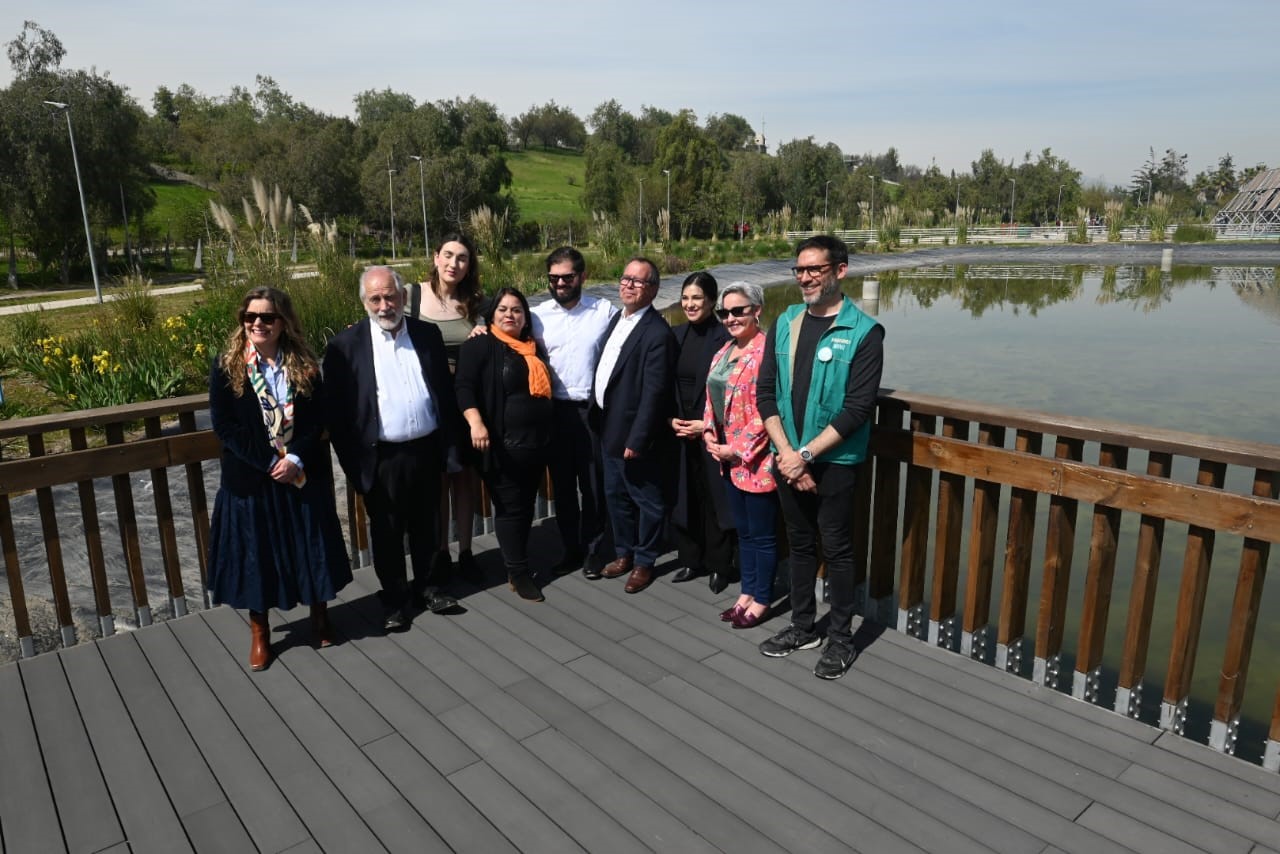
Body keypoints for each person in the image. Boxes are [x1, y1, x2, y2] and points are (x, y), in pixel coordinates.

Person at [756, 235, 884, 679]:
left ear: (840, 271)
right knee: (801, 544)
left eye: (815, 269)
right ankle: (802, 626)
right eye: (800, 269)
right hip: (788, 457)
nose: (805, 277)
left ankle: (842, 639)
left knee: (838, 548)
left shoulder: (865, 332)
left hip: (835, 463)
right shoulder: (787, 321)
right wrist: (788, 454)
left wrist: (805, 454)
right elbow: (765, 392)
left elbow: (857, 408)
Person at [206, 286, 352, 671]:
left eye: (267, 317)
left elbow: (319, 417)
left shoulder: (304, 363)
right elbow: (225, 427)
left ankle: (319, 614)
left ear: (283, 321)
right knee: (259, 557)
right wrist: (271, 462)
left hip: (301, 474)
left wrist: (296, 457)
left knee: (309, 547)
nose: (257, 323)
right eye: (250, 317)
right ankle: (260, 632)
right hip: (254, 479)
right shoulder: (228, 366)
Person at [323, 266, 461, 631]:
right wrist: (355, 467)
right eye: (376, 298)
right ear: (365, 302)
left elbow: (444, 395)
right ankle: (396, 600)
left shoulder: (426, 334)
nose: (385, 305)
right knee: (386, 531)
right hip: (380, 456)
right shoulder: (344, 347)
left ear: (403, 297)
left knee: (429, 524)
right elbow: (337, 416)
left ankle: (430, 587)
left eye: (390, 296)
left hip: (427, 448)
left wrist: (449, 447)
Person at [455, 288, 554, 602]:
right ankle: (518, 572)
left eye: (517, 310)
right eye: (503, 309)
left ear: (526, 318)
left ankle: (517, 560)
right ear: (492, 314)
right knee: (510, 508)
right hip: (501, 444)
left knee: (524, 506)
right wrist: (476, 422)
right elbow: (464, 387)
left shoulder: (532, 350)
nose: (509, 314)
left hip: (536, 444)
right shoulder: (480, 345)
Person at [591, 256, 678, 594]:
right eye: (625, 278)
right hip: (606, 427)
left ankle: (644, 562)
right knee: (616, 496)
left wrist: (638, 438)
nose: (628, 285)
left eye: (637, 281)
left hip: (632, 436)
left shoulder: (657, 333)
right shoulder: (618, 319)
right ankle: (624, 553)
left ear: (653, 289)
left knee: (647, 500)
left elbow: (655, 394)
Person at [530, 246, 617, 577]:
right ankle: (571, 548)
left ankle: (594, 550)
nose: (560, 283)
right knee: (563, 487)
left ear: (582, 276)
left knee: (593, 485)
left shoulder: (604, 310)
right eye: (554, 278)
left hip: (591, 411)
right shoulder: (537, 316)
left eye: (567, 277)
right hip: (555, 412)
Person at [702, 281, 777, 630]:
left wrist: (739, 448)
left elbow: (769, 409)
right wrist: (707, 432)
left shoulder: (767, 352)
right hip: (726, 459)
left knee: (762, 535)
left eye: (738, 311)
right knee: (744, 532)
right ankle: (746, 593)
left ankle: (762, 598)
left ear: (756, 310)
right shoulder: (723, 351)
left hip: (756, 460)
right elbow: (712, 397)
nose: (730, 318)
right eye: (724, 312)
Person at [411, 232, 484, 585]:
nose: (454, 264)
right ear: (436, 256)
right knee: (437, 479)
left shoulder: (475, 302)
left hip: (464, 401)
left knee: (464, 479)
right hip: (426, 401)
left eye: (463, 258)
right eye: (449, 255)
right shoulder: (411, 296)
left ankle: (466, 551)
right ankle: (441, 551)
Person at [669, 271, 736, 593]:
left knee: (714, 496)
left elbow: (735, 390)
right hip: (680, 428)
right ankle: (690, 559)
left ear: (712, 300)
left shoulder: (726, 337)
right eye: (685, 298)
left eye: (697, 298)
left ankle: (719, 565)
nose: (690, 304)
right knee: (685, 494)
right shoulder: (675, 334)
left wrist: (707, 424)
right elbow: (664, 384)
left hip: (712, 428)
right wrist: (670, 420)